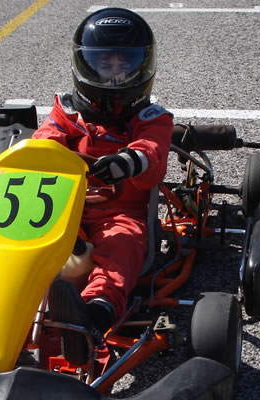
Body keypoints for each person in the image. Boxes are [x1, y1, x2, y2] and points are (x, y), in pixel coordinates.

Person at [32, 7, 174, 365]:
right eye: (104, 65)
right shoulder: (66, 112)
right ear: (84, 65)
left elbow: (151, 152)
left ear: (140, 68)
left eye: (123, 66)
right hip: (59, 208)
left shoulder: (151, 119)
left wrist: (128, 161)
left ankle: (94, 314)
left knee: (120, 247)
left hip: (119, 212)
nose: (113, 76)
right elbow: (45, 140)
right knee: (25, 242)